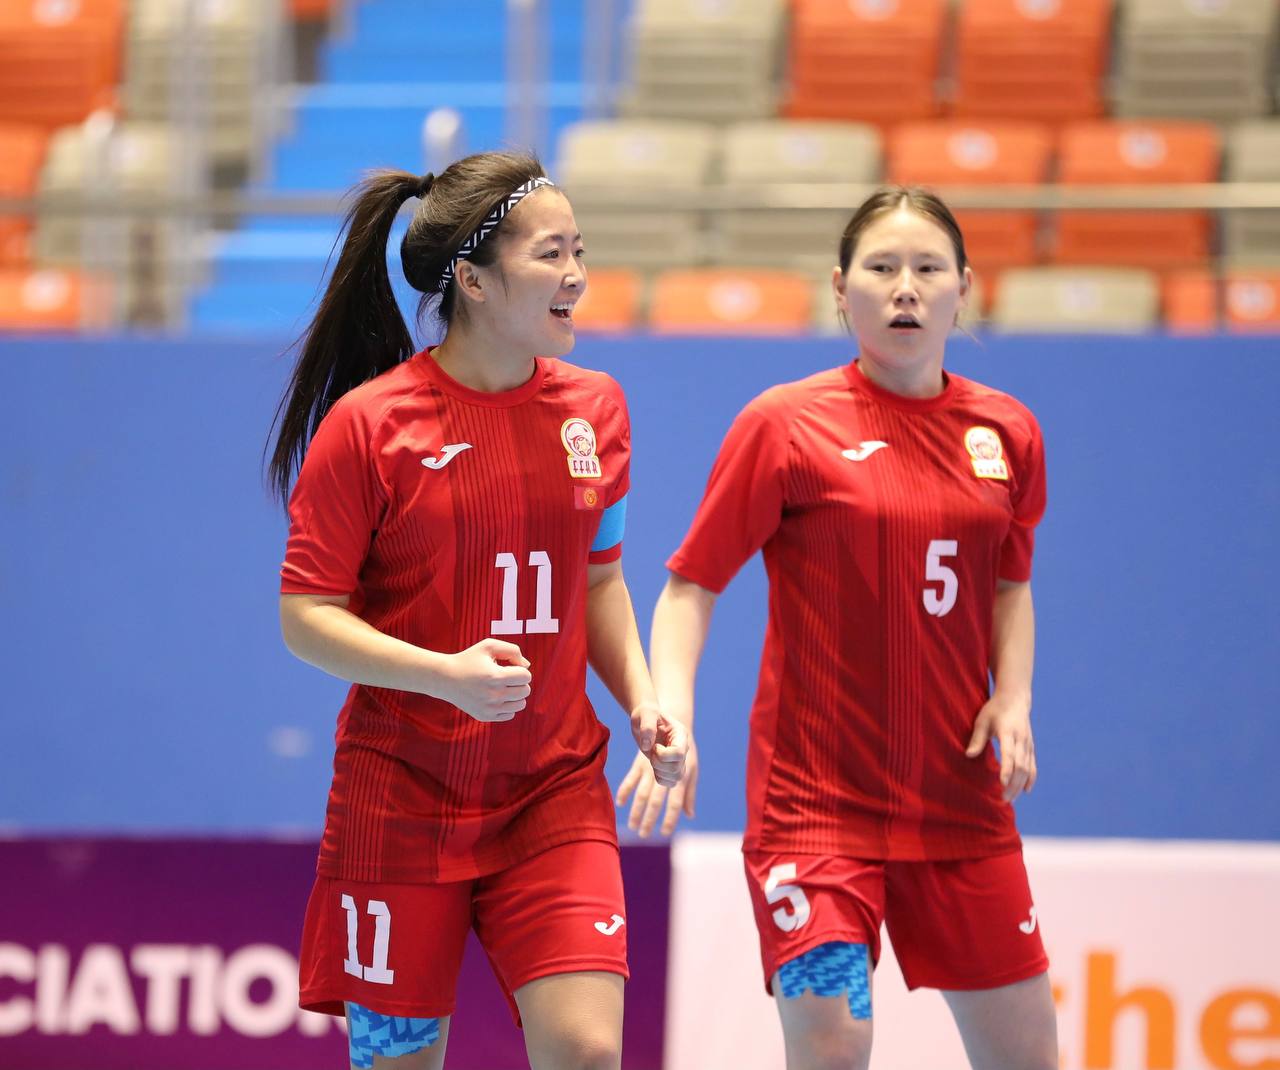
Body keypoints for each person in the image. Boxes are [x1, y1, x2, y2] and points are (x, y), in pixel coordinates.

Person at [616, 186, 1058, 1070]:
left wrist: (1013, 698)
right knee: (834, 1047)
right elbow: (689, 587)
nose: (906, 288)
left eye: (928, 268)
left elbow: (1011, 584)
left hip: (961, 810)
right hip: (814, 817)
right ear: (840, 288)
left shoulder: (1007, 432)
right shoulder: (785, 425)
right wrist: (674, 714)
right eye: (881, 268)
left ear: (964, 288)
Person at [269, 151, 687, 1070]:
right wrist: (443, 676)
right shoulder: (370, 427)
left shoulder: (596, 411)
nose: (576, 275)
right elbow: (306, 615)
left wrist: (644, 700)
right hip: (401, 797)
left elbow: (599, 581)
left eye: (580, 250)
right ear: (473, 279)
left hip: (553, 790)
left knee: (587, 1050)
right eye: (550, 254)